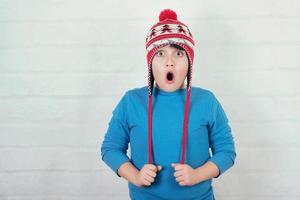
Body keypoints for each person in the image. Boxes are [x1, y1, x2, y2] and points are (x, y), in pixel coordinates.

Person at [100, 8, 236, 200]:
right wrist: (135, 176)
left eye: (179, 54)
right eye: (161, 53)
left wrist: (197, 175)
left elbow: (226, 152)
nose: (169, 63)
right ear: (150, 63)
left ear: (189, 62)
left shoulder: (207, 101)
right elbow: (110, 149)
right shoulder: (131, 101)